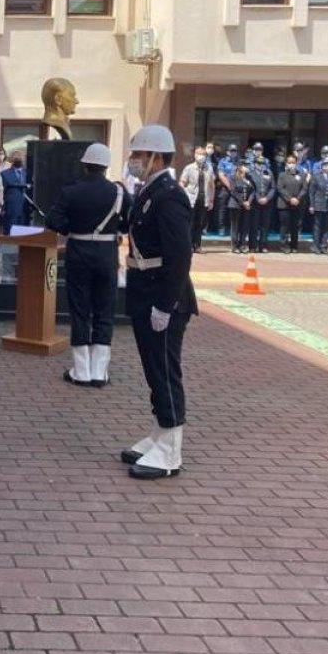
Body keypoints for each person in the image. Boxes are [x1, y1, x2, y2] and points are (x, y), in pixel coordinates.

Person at [120, 124, 196, 480]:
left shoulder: (169, 195)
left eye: (138, 155)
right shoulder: (151, 191)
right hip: (146, 290)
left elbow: (180, 255)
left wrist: (166, 305)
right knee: (154, 369)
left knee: (165, 371)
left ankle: (170, 449)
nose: (133, 160)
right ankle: (160, 433)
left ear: (154, 157)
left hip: (162, 296)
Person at [46, 143, 125, 387]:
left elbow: (53, 220)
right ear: (106, 166)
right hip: (106, 253)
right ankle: (99, 372)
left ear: (85, 164)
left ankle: (81, 370)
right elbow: (129, 221)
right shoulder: (119, 192)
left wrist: (73, 228)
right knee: (105, 309)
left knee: (80, 309)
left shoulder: (72, 190)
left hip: (79, 251)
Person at [179, 146, 214, 252]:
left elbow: (211, 184)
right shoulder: (189, 168)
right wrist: (183, 196)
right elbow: (182, 183)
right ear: (195, 155)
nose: (201, 157)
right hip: (191, 199)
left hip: (203, 199)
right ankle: (188, 245)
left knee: (200, 224)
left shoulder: (209, 168)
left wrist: (211, 199)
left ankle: (197, 246)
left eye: (203, 154)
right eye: (199, 154)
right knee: (190, 223)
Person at [276, 154, 308, 254]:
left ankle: (294, 246)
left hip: (297, 204)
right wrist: (290, 199)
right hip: (284, 205)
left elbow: (304, 188)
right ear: (286, 164)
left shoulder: (301, 174)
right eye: (289, 162)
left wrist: (297, 198)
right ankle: (284, 246)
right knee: (284, 226)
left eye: (293, 162)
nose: (291, 164)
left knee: (295, 226)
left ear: (296, 163)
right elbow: (280, 188)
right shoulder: (282, 175)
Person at [308, 158, 328, 255]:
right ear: (322, 167)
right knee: (317, 226)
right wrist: (312, 205)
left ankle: (324, 246)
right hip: (318, 205)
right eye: (325, 165)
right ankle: (315, 246)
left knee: (326, 227)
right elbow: (311, 192)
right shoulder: (316, 177)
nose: (327, 167)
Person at [247, 144, 275, 252]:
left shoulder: (269, 172)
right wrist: (258, 198)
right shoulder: (251, 173)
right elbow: (251, 187)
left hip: (266, 202)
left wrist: (267, 198)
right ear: (254, 163)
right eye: (258, 163)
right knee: (253, 225)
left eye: (262, 163)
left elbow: (273, 187)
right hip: (255, 202)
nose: (260, 165)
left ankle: (263, 246)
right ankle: (252, 246)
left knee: (265, 225)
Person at [228, 163, 255, 254]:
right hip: (235, 205)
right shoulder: (233, 178)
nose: (246, 170)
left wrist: (249, 202)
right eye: (243, 169)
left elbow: (252, 191)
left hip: (246, 206)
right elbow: (233, 192)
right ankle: (234, 246)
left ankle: (242, 245)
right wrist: (243, 202)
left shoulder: (248, 179)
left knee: (244, 226)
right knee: (235, 226)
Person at [0, 151, 29, 232]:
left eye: (20, 156)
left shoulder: (28, 173)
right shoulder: (4, 174)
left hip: (25, 210)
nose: (19, 158)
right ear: (11, 159)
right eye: (16, 157)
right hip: (11, 210)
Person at [215, 143, 239, 236]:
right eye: (231, 151)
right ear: (228, 152)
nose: (233, 153)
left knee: (234, 209)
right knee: (222, 209)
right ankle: (221, 228)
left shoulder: (239, 162)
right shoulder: (223, 161)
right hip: (225, 188)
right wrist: (229, 186)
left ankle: (231, 229)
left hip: (236, 189)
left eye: (235, 151)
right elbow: (221, 175)